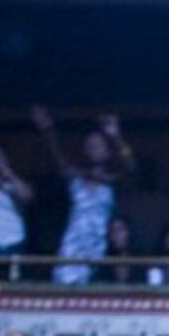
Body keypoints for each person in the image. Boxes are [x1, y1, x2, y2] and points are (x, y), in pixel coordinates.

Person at [34, 104, 132, 282]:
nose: (94, 148)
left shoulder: (111, 181)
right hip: (71, 250)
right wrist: (47, 129)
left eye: (99, 145)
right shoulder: (75, 178)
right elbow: (57, 157)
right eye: (90, 145)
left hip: (101, 250)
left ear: (108, 152)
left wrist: (116, 137)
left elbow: (130, 166)